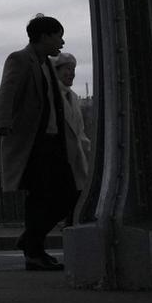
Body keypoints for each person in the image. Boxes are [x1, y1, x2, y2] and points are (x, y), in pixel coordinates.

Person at [0, 15, 76, 270]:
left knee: (68, 193)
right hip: (34, 141)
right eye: (58, 36)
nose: (62, 42)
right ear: (44, 37)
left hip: (53, 141)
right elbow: (7, 91)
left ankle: (31, 241)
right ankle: (34, 251)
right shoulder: (20, 59)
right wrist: (2, 123)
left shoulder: (46, 64)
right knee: (42, 195)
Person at [53, 52, 92, 204]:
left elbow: (79, 131)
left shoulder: (74, 98)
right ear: (56, 71)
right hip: (60, 161)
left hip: (77, 161)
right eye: (67, 69)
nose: (72, 73)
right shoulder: (50, 95)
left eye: (73, 69)